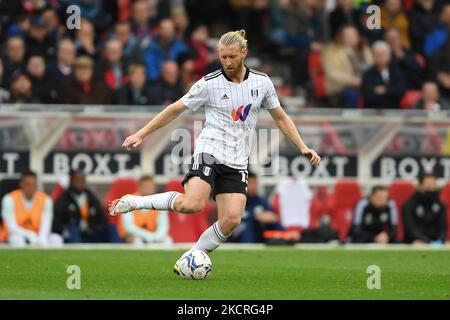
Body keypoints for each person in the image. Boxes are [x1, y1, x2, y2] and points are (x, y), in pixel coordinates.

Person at [108, 30, 320, 262]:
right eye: (223, 57)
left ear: (244, 53)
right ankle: (135, 202)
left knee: (231, 220)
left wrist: (302, 145)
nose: (227, 62)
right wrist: (142, 133)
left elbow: (280, 117)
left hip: (237, 160)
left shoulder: (262, 82)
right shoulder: (209, 84)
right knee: (191, 204)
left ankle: (194, 255)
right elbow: (175, 109)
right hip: (209, 152)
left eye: (232, 57)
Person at [1, 171, 63, 247]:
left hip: (37, 235)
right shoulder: (9, 199)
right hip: (16, 235)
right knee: (17, 240)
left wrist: (41, 239)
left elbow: (46, 223)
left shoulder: (45, 199)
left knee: (57, 239)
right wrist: (30, 235)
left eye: (33, 184)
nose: (30, 187)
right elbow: (11, 227)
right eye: (27, 184)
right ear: (21, 184)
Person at [53, 170, 111, 243]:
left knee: (111, 228)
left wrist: (93, 228)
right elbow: (56, 224)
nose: (80, 183)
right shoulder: (63, 199)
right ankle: (78, 251)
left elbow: (102, 219)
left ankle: (119, 251)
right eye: (77, 180)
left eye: (82, 180)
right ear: (71, 181)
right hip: (71, 235)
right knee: (72, 229)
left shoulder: (90, 197)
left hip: (90, 233)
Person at [229, 171, 285, 243]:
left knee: (272, 223)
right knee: (248, 225)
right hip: (237, 236)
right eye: (249, 183)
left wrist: (272, 218)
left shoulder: (261, 201)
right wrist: (255, 216)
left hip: (259, 236)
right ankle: (249, 249)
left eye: (254, 183)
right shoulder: (236, 201)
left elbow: (273, 218)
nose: (252, 187)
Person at [117, 175, 170, 245]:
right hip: (133, 236)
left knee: (167, 240)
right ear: (139, 187)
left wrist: (156, 237)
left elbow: (163, 226)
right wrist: (147, 236)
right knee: (136, 240)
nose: (148, 189)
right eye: (145, 186)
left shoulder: (161, 202)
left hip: (153, 236)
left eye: (150, 186)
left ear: (154, 187)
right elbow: (129, 227)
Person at [402, 173, 448, 245]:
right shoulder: (409, 204)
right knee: (418, 244)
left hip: (436, 241)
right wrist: (427, 242)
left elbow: (443, 227)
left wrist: (440, 240)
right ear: (420, 185)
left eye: (433, 184)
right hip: (416, 240)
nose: (430, 187)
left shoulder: (440, 204)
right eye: (428, 184)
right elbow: (411, 229)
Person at [362, 41, 405, 108]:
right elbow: (368, 95)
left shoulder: (397, 71)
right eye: (377, 54)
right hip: (373, 111)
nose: (380, 57)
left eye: (383, 54)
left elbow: (400, 91)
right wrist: (390, 91)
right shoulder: (368, 74)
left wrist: (385, 90)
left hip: (394, 110)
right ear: (373, 56)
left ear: (389, 55)